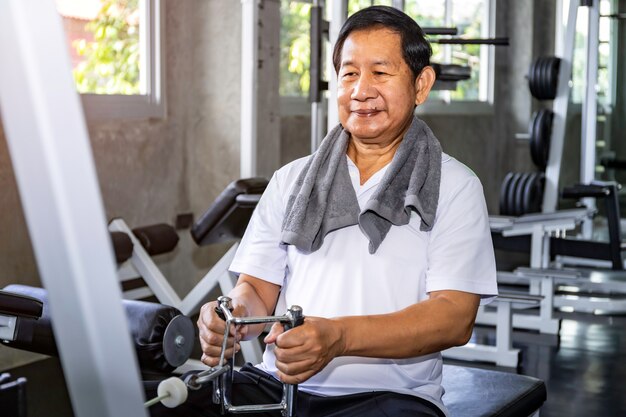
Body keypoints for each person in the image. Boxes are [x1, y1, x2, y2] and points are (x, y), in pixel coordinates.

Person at [152, 5, 497, 417]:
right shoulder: (291, 179)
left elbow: (453, 318)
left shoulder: (455, 185)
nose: (361, 90)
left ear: (421, 85)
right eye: (349, 74)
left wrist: (339, 337)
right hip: (279, 384)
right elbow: (258, 291)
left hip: (392, 400)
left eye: (380, 73)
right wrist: (231, 316)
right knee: (148, 403)